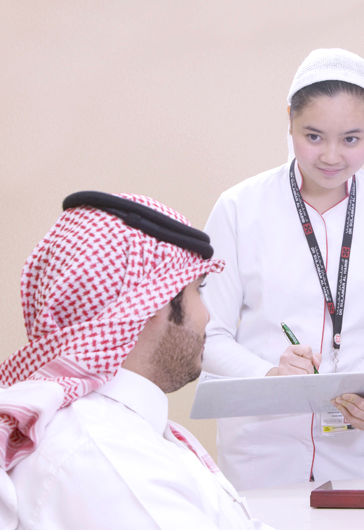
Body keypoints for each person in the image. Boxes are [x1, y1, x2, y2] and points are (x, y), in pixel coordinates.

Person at [201, 48, 364, 490]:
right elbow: (208, 333)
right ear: (289, 120)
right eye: (313, 136)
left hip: (362, 449)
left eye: (351, 139)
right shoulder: (239, 209)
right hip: (262, 448)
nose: (331, 156)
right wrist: (269, 376)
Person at [0, 192, 273, 529]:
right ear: (153, 303)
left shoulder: (120, 430)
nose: (208, 316)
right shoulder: (113, 459)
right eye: (198, 291)